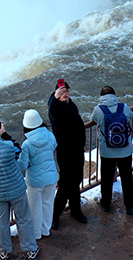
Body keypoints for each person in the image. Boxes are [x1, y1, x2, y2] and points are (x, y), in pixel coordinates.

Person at [0, 117, 38, 260]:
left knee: (1, 222)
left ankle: (3, 250)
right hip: (16, 189)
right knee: (23, 219)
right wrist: (4, 134)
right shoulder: (9, 146)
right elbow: (17, 148)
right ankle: (30, 249)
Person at [90, 86, 133, 214]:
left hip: (107, 152)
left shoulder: (98, 110)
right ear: (115, 96)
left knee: (106, 178)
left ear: (101, 97)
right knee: (127, 178)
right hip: (125, 150)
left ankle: (106, 203)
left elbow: (93, 119)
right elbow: (131, 116)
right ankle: (130, 206)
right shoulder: (124, 107)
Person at [47, 79, 87, 227]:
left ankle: (76, 210)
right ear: (56, 94)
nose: (65, 94)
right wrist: (55, 97)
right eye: (61, 92)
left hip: (77, 149)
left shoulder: (72, 105)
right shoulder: (55, 107)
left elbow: (79, 124)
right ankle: (55, 215)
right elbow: (51, 107)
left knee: (76, 180)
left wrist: (82, 144)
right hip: (65, 151)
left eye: (66, 91)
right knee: (65, 183)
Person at [18, 109, 58, 241]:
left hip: (35, 181)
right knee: (48, 204)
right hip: (51, 177)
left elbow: (22, 166)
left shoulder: (27, 144)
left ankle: (36, 234)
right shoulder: (50, 135)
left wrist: (30, 164)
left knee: (35, 208)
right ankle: (46, 230)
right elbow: (53, 147)